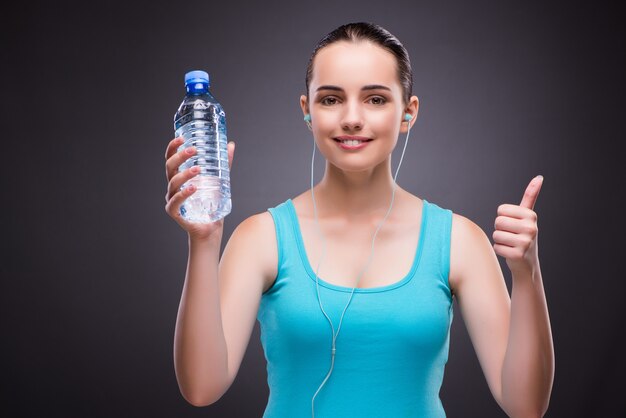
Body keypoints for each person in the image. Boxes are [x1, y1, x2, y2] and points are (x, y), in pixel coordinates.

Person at [164, 22, 554, 418]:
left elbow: (526, 407)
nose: (351, 119)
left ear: (408, 112)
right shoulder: (260, 238)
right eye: (331, 99)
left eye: (375, 99)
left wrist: (527, 274)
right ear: (307, 111)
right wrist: (204, 241)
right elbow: (201, 388)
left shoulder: (458, 240)